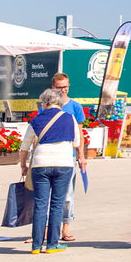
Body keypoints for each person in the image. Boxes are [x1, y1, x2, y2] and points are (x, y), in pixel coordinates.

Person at [21, 88, 85, 254]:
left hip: (40, 164)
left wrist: (23, 165)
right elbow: (77, 143)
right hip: (63, 164)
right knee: (57, 205)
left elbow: (24, 147)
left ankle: (36, 246)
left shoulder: (36, 120)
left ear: (46, 102)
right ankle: (52, 245)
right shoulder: (70, 118)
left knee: (40, 205)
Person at [49, 73, 87, 244]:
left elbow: (80, 132)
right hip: (49, 155)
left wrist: (81, 155)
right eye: (59, 87)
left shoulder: (75, 106)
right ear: (53, 88)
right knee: (46, 194)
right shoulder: (46, 106)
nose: (63, 90)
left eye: (66, 87)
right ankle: (44, 230)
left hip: (68, 156)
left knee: (67, 195)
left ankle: (65, 228)